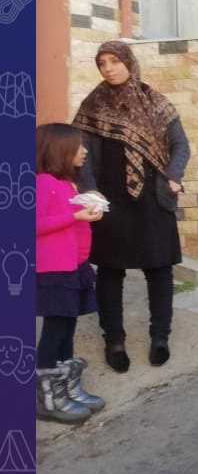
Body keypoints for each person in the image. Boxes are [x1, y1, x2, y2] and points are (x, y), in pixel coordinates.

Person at [74, 41, 190, 373]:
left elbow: (181, 145)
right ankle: (114, 340)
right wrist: (90, 192)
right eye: (102, 63)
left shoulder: (157, 103)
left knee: (159, 268)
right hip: (110, 199)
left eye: (114, 61)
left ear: (129, 62)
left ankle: (160, 337)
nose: (108, 68)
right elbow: (81, 156)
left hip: (154, 196)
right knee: (110, 271)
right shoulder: (92, 105)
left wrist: (173, 175)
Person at [34, 124, 104, 424]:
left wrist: (88, 208)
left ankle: (67, 389)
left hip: (74, 268)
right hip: (53, 271)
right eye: (79, 146)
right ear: (59, 150)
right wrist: (74, 215)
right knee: (55, 331)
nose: (84, 151)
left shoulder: (66, 184)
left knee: (67, 327)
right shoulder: (41, 183)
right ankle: (47, 398)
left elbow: (72, 225)